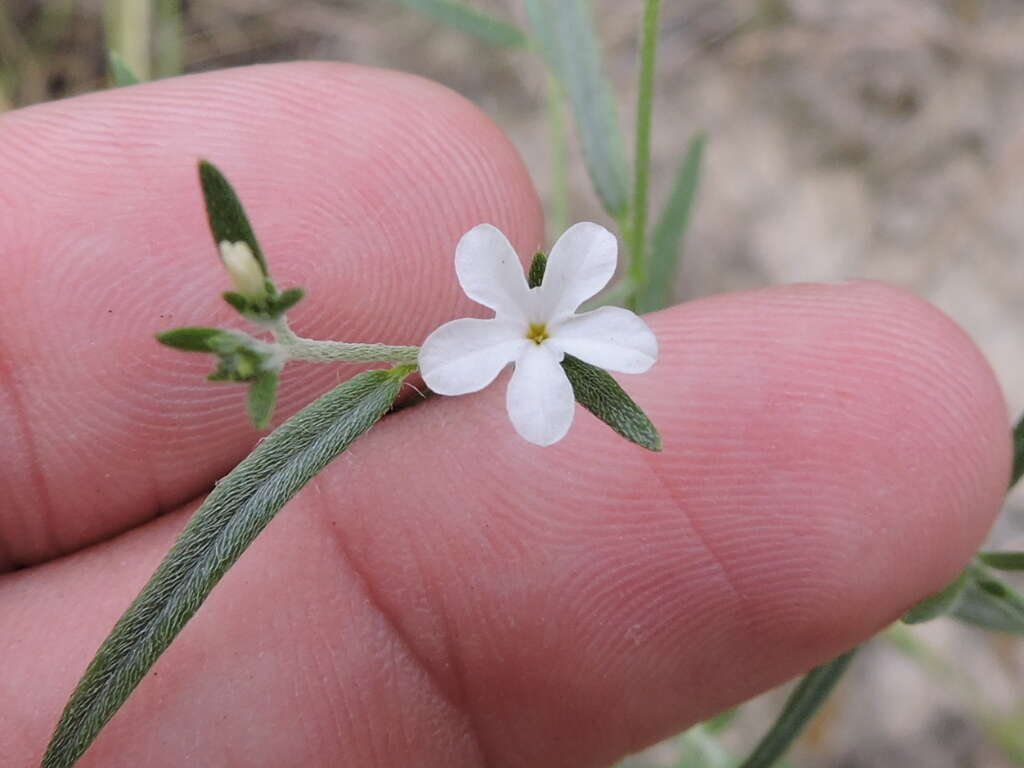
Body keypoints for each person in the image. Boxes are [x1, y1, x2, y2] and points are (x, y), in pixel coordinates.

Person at [0, 62, 1011, 767]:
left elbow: (566, 345)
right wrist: (269, 334)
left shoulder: (555, 328)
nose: (537, 330)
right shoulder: (491, 328)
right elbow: (454, 354)